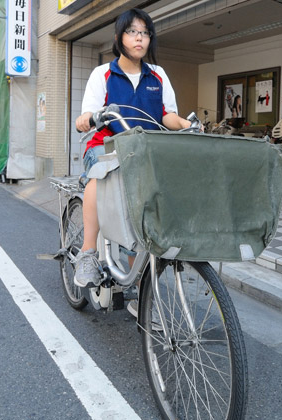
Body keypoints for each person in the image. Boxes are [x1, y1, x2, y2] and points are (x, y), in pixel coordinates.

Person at [74, 8, 190, 291]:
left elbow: (167, 116)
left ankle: (138, 286)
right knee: (100, 177)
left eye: (145, 33)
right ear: (119, 38)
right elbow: (83, 120)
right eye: (132, 32)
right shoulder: (102, 74)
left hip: (144, 150)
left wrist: (188, 124)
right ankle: (88, 254)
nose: (139, 38)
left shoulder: (158, 75)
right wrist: (92, 118)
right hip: (105, 146)